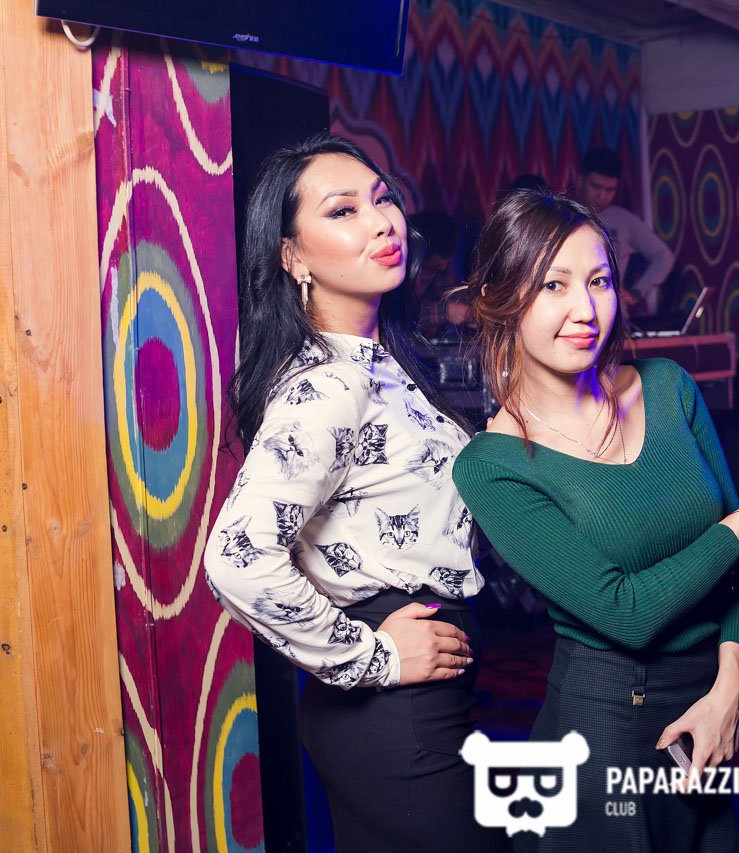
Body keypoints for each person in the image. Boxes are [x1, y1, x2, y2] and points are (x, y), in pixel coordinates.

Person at [452, 189, 739, 852]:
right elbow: (625, 610)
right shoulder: (491, 464)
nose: (586, 309)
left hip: (709, 709)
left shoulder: (667, 386)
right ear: (499, 298)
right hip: (608, 723)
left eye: (599, 281)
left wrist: (731, 685)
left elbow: (735, 576)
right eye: (553, 285)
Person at [203, 134, 505, 853]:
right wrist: (372, 657)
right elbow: (236, 558)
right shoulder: (330, 384)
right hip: (394, 709)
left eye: (382, 199)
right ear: (293, 257)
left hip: (415, 704)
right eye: (343, 211)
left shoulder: (379, 364)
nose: (381, 222)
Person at [578, 146, 674, 319]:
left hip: (614, 315)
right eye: (596, 187)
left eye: (609, 190)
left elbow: (664, 256)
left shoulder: (622, 219)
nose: (602, 195)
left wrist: (637, 292)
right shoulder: (564, 214)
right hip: (574, 310)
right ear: (581, 180)